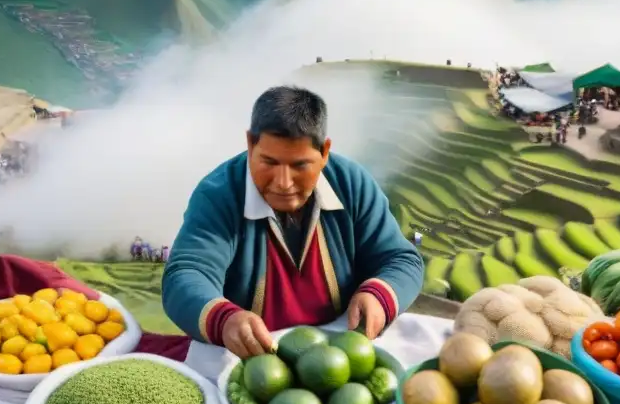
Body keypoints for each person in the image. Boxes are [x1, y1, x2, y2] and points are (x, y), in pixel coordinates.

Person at [162, 86, 424, 359]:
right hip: (249, 362)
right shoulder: (219, 194)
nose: (283, 183)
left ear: (324, 152)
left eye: (300, 165)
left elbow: (401, 259)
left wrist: (379, 296)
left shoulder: (351, 183)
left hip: (340, 354)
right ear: (250, 144)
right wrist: (224, 319)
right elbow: (187, 274)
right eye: (269, 162)